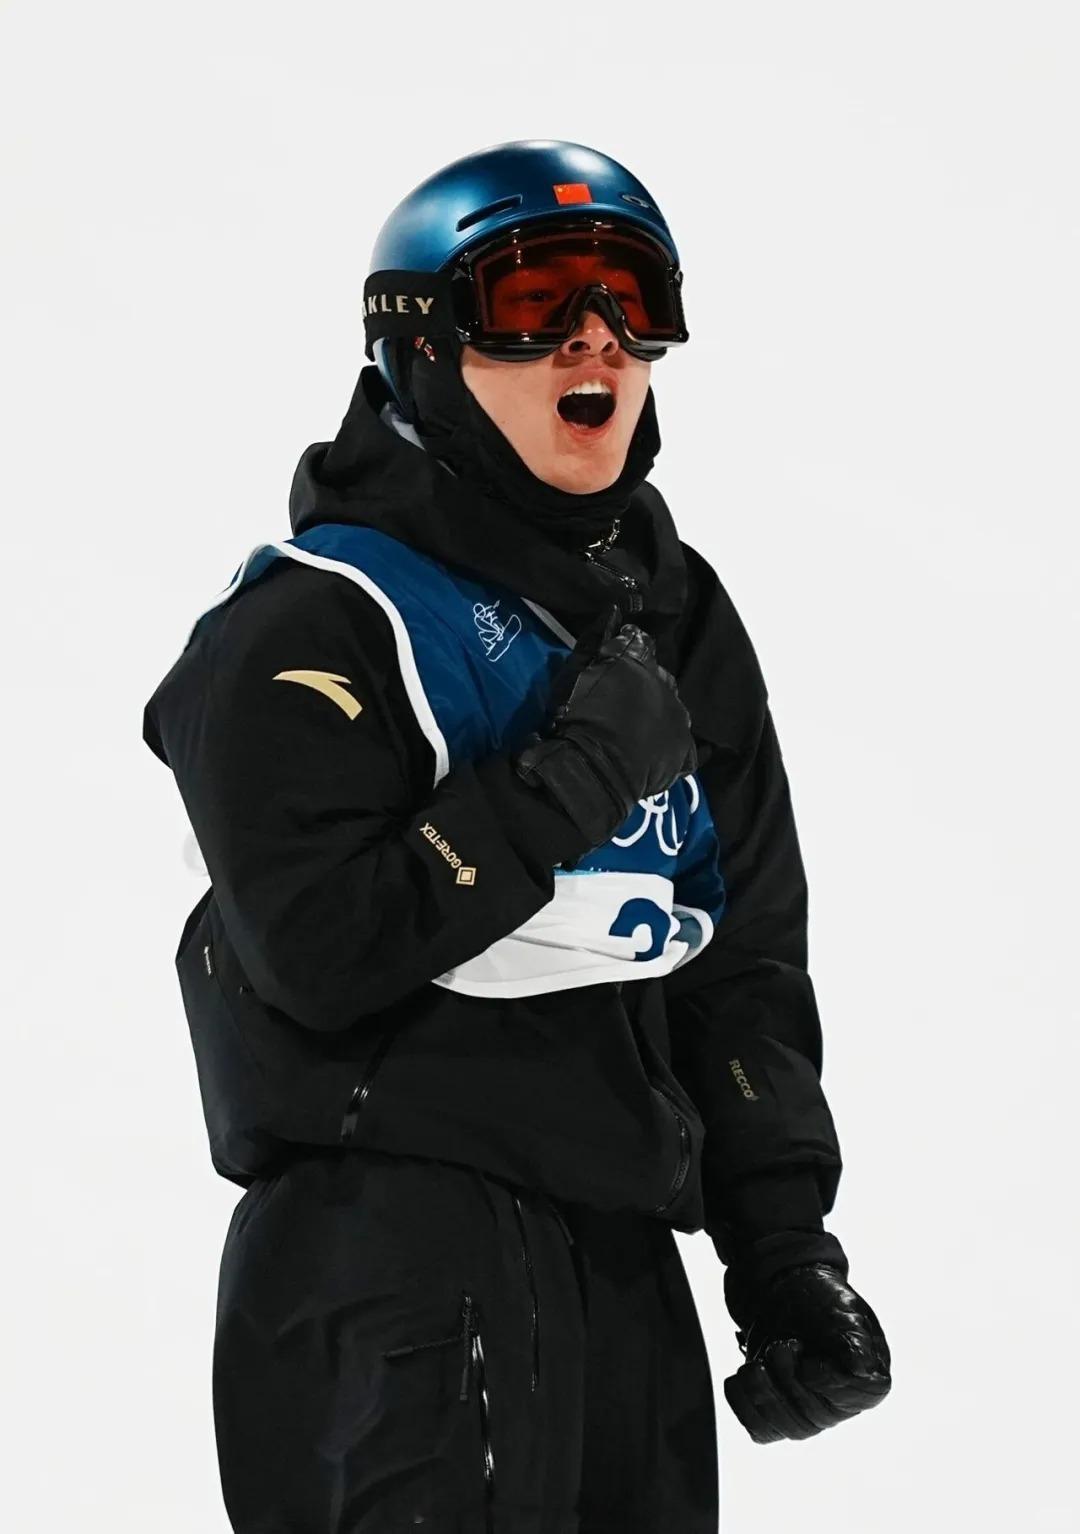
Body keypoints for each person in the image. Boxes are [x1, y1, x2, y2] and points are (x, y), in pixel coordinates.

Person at [143, 139, 891, 1534]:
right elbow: (317, 948)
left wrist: (783, 1249)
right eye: (534, 301)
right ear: (422, 344)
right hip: (394, 1262)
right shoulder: (310, 624)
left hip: (623, 1265)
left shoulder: (673, 616)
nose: (593, 340)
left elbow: (739, 959)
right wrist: (571, 775)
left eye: (631, 301)